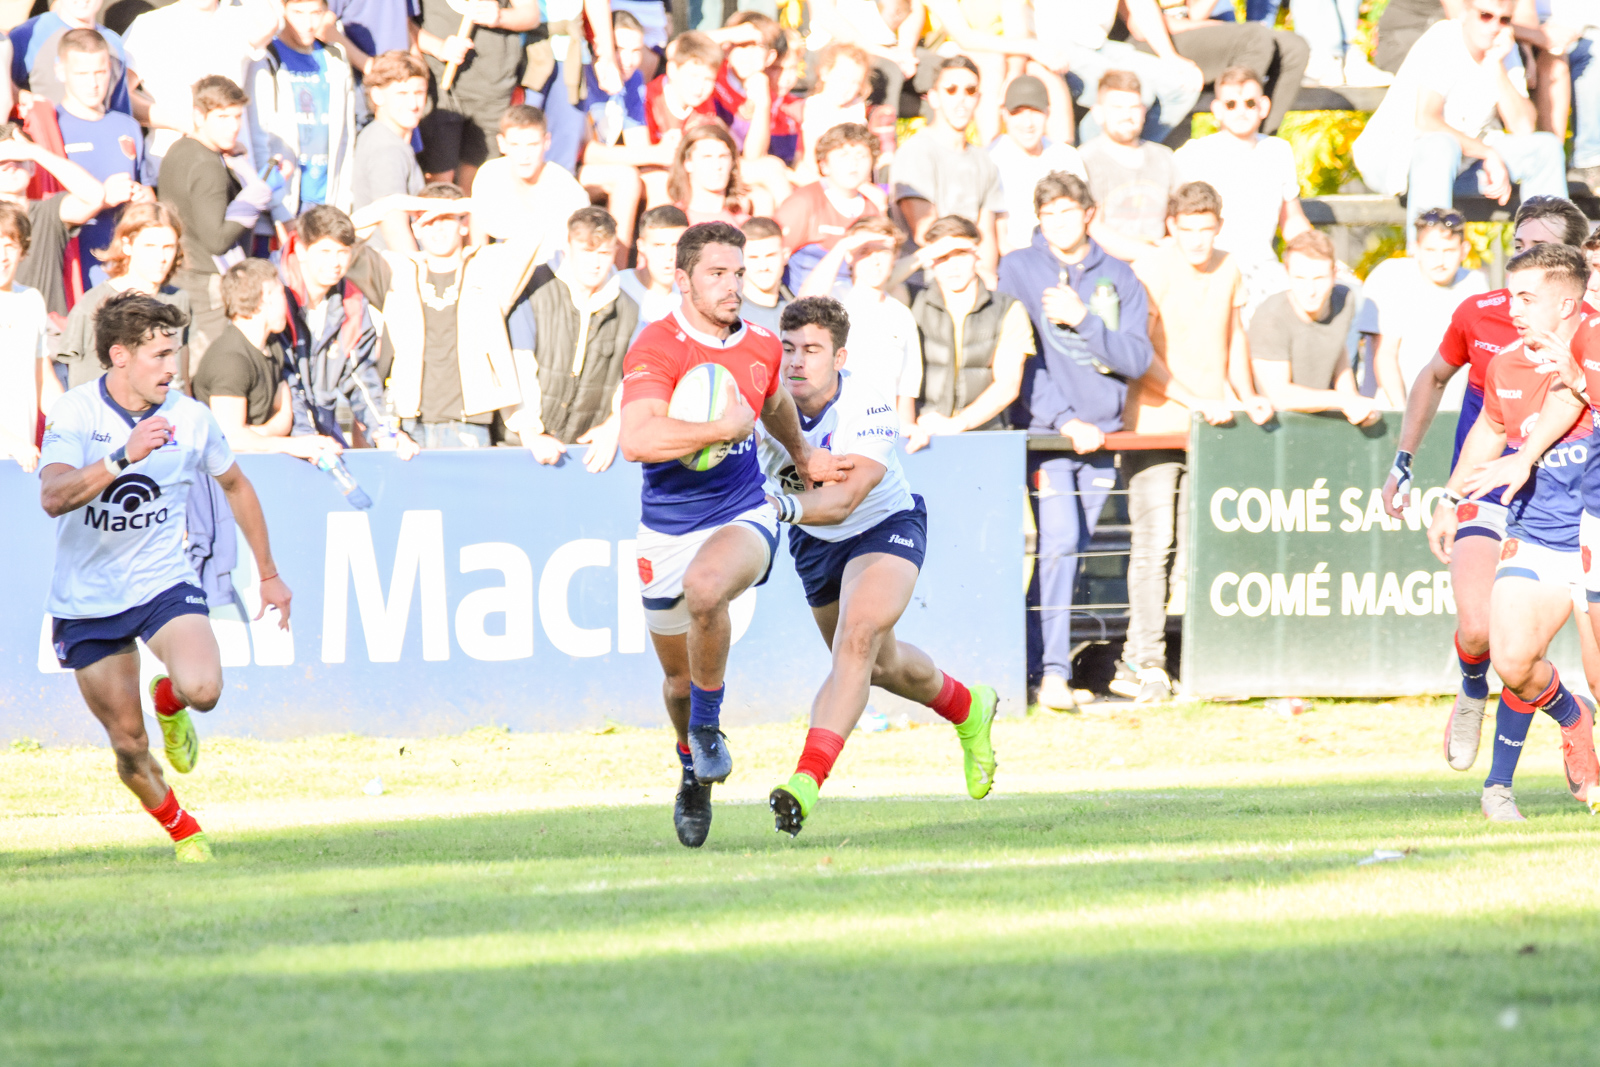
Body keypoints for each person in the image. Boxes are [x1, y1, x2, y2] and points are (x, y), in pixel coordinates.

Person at [37, 290, 293, 862]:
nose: (171, 368)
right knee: (130, 745)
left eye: (174, 354)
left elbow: (237, 486)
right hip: (87, 600)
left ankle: (170, 701)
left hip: (160, 583)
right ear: (120, 356)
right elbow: (53, 497)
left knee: (204, 689)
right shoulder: (76, 412)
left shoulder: (190, 416)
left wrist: (270, 575)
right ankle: (185, 833)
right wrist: (121, 457)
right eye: (158, 356)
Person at [617, 221, 849, 849]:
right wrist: (717, 428)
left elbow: (772, 398)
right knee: (675, 682)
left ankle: (710, 728)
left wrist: (801, 454)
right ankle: (693, 768)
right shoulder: (656, 347)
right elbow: (637, 440)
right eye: (717, 274)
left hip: (744, 509)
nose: (732, 286)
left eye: (739, 273)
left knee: (707, 587)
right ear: (682, 279)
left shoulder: (762, 344)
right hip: (665, 528)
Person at [762, 295, 999, 836]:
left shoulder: (867, 407)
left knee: (856, 641)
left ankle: (804, 783)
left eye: (812, 350)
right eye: (789, 348)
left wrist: (778, 505)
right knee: (882, 666)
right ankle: (968, 707)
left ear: (839, 358)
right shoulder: (761, 407)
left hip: (881, 525)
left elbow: (844, 501)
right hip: (814, 545)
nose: (796, 361)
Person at [1381, 195, 1588, 774]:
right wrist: (1405, 460)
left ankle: (1507, 780)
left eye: (1541, 246)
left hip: (1561, 502)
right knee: (1477, 632)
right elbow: (1433, 376)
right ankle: (1472, 687)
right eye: (1518, 246)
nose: (1526, 256)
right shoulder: (1482, 312)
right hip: (1488, 488)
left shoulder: (1587, 326)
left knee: (1523, 652)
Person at [1426, 243, 1600, 821]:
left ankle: (1509, 780)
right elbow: (1490, 430)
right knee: (1513, 660)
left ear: (1569, 303)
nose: (1514, 309)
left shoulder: (1596, 343)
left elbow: (1573, 395)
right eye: (1511, 296)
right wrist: (1451, 497)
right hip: (1541, 527)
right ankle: (1570, 719)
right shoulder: (1505, 362)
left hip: (1593, 531)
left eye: (1527, 298)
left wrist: (1580, 384)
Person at [998, 172, 1153, 712]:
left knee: (1070, 553)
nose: (1058, 223)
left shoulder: (1120, 277)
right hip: (1048, 437)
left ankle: (1034, 666)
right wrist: (1064, 420)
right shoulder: (1018, 267)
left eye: (1068, 211)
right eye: (1048, 214)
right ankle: (1056, 676)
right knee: (1059, 543)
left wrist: (1085, 319)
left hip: (1103, 435)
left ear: (1090, 213)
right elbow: (1020, 357)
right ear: (1038, 219)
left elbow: (1137, 360)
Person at [1117, 181, 1273, 703]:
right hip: (1156, 424)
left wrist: (1246, 393)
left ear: (1219, 227)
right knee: (1153, 546)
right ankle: (1143, 662)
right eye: (1188, 230)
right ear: (1171, 228)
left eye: (1206, 230)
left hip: (1213, 426)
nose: (1198, 241)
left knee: (1200, 550)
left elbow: (1234, 337)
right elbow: (1141, 357)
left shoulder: (1230, 268)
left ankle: (1199, 662)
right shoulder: (1151, 270)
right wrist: (1192, 400)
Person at [1352, 0, 1568, 248]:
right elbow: (1426, 121)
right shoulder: (1443, 38)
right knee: (1440, 146)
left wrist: (1496, 66)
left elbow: (1524, 128)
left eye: (1504, 19)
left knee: (1545, 148)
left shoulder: (1502, 49)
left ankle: (1548, 261)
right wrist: (1488, 153)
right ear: (1465, 12)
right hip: (1394, 158)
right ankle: (1429, 259)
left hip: (1459, 161)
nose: (1495, 26)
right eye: (1486, 15)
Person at [380, 183, 526, 447]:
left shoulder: (487, 266)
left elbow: (533, 233)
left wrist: (469, 205)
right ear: (415, 226)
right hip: (410, 425)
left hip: (470, 423)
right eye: (429, 220)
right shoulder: (399, 270)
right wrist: (394, 203)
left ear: (464, 224)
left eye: (446, 219)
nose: (437, 228)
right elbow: (341, 240)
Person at [156, 76, 276, 378]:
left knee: (181, 362)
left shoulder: (178, 150)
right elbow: (217, 239)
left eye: (237, 116)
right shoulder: (208, 164)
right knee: (205, 367)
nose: (233, 126)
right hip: (206, 281)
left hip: (180, 272)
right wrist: (253, 200)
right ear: (199, 116)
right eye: (222, 117)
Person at [504, 206, 637, 471]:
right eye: (587, 252)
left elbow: (633, 381)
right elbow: (516, 366)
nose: (596, 263)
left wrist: (614, 427)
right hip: (519, 449)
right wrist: (529, 432)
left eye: (604, 253)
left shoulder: (629, 310)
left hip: (585, 457)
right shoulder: (534, 288)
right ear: (567, 248)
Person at [1174, 66, 1310, 312]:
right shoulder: (1193, 155)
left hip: (1264, 268)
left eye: (1249, 103)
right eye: (1230, 104)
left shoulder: (1278, 151)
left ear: (1264, 106)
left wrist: (1318, 256)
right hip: (1211, 267)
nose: (1240, 111)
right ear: (1216, 109)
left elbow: (1292, 220)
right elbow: (1173, 222)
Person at [279, 204, 412, 455]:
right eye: (325, 251)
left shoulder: (352, 302)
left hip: (323, 433)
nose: (335, 262)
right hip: (282, 441)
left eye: (342, 252)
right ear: (301, 249)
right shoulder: (276, 296)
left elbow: (361, 375)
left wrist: (384, 432)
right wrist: (306, 438)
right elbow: (284, 380)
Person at [902, 214, 1033, 451]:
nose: (952, 265)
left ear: (977, 253)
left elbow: (1008, 383)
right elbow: (872, 284)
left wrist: (959, 423)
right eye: (943, 256)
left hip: (985, 439)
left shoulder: (1007, 309)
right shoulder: (912, 302)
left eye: (961, 254)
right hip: (922, 438)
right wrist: (926, 252)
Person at [190, 257, 336, 458]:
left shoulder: (273, 347)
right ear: (266, 297)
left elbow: (284, 415)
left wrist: (258, 434)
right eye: (281, 294)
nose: (287, 302)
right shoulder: (231, 360)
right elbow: (230, 438)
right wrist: (292, 445)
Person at [122, 0, 280, 182]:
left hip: (231, 167)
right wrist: (184, 124)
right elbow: (119, 94)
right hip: (171, 167)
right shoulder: (149, 25)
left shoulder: (238, 19)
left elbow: (269, 23)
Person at [1359, 209, 1489, 409]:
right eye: (1430, 250)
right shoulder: (1391, 277)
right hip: (1389, 414)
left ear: (1464, 250)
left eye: (1449, 251)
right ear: (1415, 249)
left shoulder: (1475, 285)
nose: (1440, 260)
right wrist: (1403, 416)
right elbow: (1385, 353)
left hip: (1448, 416)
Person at [52, 28, 150, 292]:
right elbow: (44, 211)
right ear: (61, 72)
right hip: (72, 271)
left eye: (100, 72)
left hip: (124, 274)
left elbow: (146, 189)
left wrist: (143, 197)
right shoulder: (50, 128)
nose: (93, 83)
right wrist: (102, 196)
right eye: (82, 74)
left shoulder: (127, 127)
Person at [56, 201, 190, 390]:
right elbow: (81, 385)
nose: (161, 257)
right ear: (127, 245)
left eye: (168, 247)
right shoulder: (94, 305)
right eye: (150, 246)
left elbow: (181, 376)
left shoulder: (178, 299)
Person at [798, 215, 923, 416]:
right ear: (850, 256)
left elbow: (907, 388)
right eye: (865, 251)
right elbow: (803, 305)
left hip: (881, 430)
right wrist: (844, 245)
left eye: (882, 252)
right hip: (833, 426)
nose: (875, 261)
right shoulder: (833, 299)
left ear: (895, 256)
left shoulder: (901, 314)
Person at [890, 57, 1002, 279]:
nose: (961, 100)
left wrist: (986, 276)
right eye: (951, 90)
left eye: (970, 91)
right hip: (925, 280)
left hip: (972, 275)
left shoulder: (984, 160)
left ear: (978, 98)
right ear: (933, 97)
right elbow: (927, 232)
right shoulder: (916, 151)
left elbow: (987, 233)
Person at [1130, 0, 1311, 136]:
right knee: (1254, 37)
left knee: (1294, 47)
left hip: (1186, 36)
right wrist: (1209, 27)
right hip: (1150, 43)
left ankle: (1259, 138)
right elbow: (1138, 25)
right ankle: (1235, 137)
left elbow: (1194, 13)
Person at [1032, 0, 1202, 144]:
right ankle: (1089, 161)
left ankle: (1128, 154)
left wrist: (1170, 57)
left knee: (1184, 85)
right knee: (1134, 93)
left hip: (1100, 45)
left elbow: (1141, 7)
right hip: (1057, 47)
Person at [1247, 231, 1375, 424]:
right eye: (1300, 278)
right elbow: (1279, 395)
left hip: (1323, 418)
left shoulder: (1344, 300)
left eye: (1319, 278)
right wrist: (1341, 399)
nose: (1310, 290)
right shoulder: (1270, 318)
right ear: (1287, 274)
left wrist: (1353, 401)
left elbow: (1337, 348)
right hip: (1273, 424)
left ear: (1334, 275)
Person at [413, 0, 540, 191]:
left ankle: (467, 220)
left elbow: (531, 15)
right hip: (440, 86)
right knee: (439, 177)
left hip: (492, 88)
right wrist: (438, 47)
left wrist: (500, 17)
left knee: (477, 179)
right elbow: (403, 23)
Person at [248, 0, 358, 218]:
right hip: (284, 200)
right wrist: (278, 210)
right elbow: (260, 135)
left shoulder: (335, 57)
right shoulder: (267, 57)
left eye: (316, 13)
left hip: (327, 197)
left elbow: (347, 134)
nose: (308, 24)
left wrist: (343, 201)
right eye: (298, 13)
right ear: (283, 11)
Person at [574, 9, 656, 265]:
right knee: (627, 178)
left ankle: (650, 268)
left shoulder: (633, 80)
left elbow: (639, 146)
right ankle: (617, 269)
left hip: (605, 164)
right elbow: (588, 152)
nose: (630, 60)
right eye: (620, 49)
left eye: (636, 50)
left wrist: (657, 155)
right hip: (574, 167)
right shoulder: (584, 74)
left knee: (660, 179)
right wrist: (657, 152)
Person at [0, 121, 105, 319]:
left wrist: (36, 152)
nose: (11, 166)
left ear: (32, 167)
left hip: (49, 334)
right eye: (3, 161)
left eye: (19, 159)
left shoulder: (49, 212)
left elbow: (95, 196)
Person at [1079, 70, 1182, 265]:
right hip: (1107, 268)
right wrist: (1152, 254)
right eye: (1117, 107)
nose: (1127, 115)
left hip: (1160, 265)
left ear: (1143, 112)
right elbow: (1092, 228)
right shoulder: (1085, 161)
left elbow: (1184, 215)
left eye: (1134, 107)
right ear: (1098, 113)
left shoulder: (1164, 158)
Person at [774, 121, 886, 293]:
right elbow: (772, 257)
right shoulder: (803, 202)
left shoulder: (872, 208)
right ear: (824, 165)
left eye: (862, 156)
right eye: (843, 155)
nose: (853, 163)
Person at [468, 104, 591, 256]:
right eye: (515, 145)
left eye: (532, 145)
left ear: (546, 141)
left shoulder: (567, 189)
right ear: (502, 143)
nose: (524, 155)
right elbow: (479, 236)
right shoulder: (490, 175)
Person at [987, 73, 1085, 257]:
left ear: (1048, 112)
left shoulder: (1066, 156)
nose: (1028, 123)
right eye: (1018, 113)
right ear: (1004, 114)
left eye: (1035, 111)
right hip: (1013, 260)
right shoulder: (989, 160)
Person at [351, 50, 429, 253]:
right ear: (377, 95)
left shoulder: (384, 138)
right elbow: (394, 226)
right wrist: (415, 276)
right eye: (402, 94)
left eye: (419, 93)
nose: (413, 104)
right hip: (388, 267)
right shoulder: (387, 149)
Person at [8, 0, 133, 116]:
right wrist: (23, 98)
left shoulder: (113, 43)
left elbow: (120, 111)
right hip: (40, 136)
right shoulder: (27, 35)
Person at [0, 201, 52, 472]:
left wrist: (76, 421)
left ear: (23, 250)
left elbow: (44, 379)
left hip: (21, 463)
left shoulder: (31, 300)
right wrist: (11, 442)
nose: (3, 256)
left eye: (10, 245)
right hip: (15, 450)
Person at [669, 123, 753, 226]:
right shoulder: (672, 222)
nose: (717, 166)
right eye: (707, 157)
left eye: (723, 157)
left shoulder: (744, 225)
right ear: (688, 164)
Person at [619, 203, 686, 328]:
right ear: (641, 246)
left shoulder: (692, 296)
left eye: (676, 246)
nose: (669, 256)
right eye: (659, 246)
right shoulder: (618, 287)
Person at [737, 215, 791, 335]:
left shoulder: (799, 315)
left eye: (770, 256)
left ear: (785, 256)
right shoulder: (728, 317)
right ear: (739, 259)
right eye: (753, 258)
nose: (763, 267)